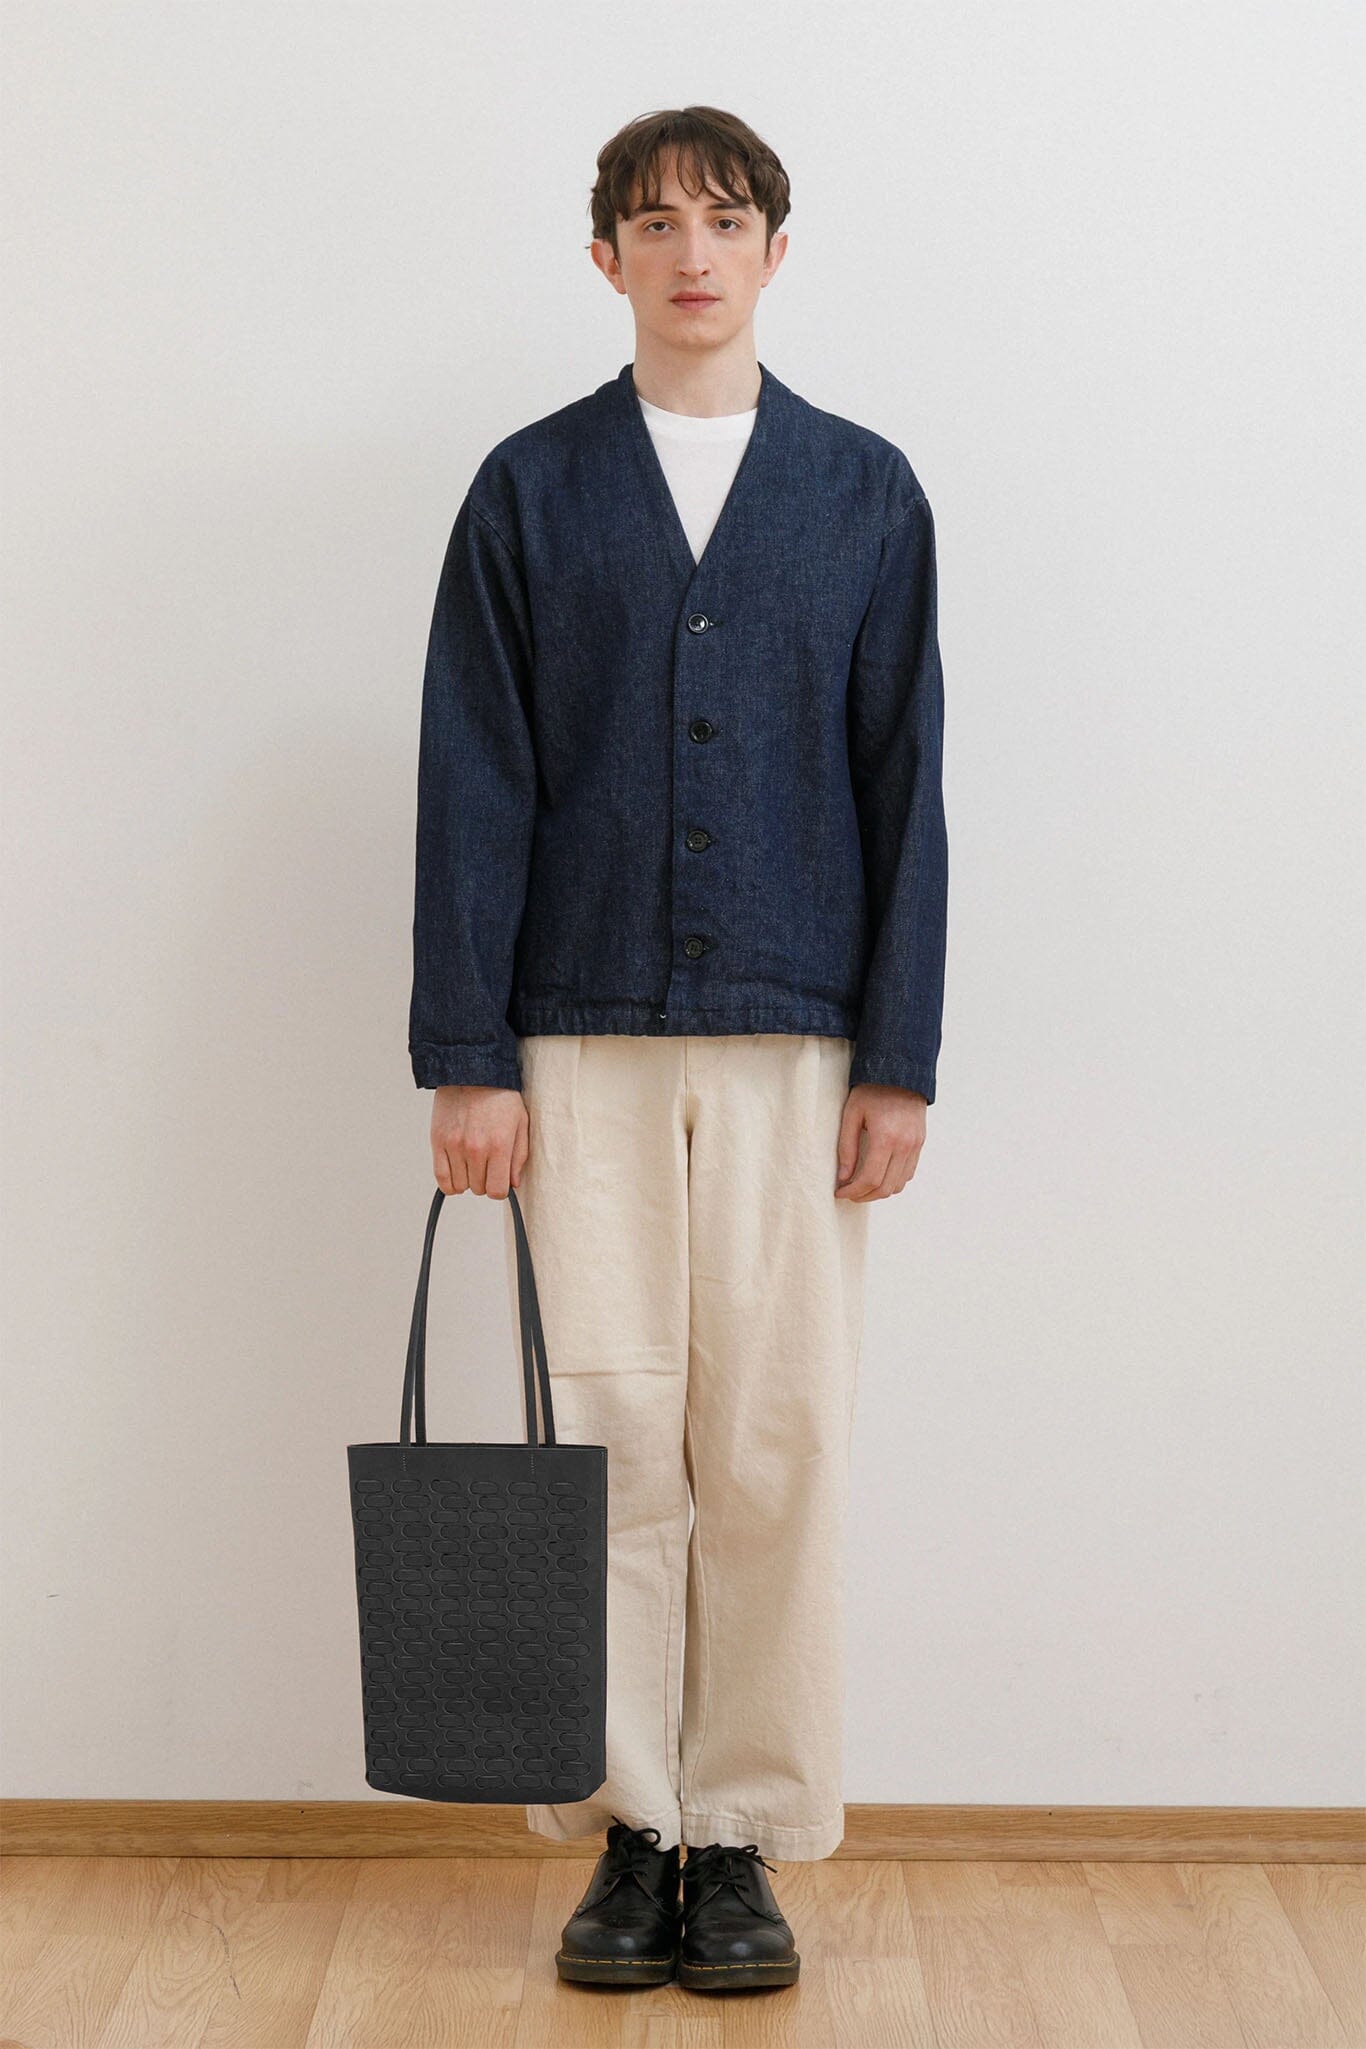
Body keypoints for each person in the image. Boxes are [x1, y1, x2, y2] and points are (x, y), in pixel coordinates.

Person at [408, 105, 948, 1995]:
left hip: (806, 1036)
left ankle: (747, 1831)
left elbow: (906, 785)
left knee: (778, 1430)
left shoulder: (865, 491)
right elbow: (473, 782)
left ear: (775, 251)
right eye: (655, 224)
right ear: (605, 259)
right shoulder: (531, 490)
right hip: (576, 1032)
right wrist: (465, 1051)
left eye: (725, 220)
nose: (692, 252)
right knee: (614, 1425)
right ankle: (633, 1825)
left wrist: (903, 1052)